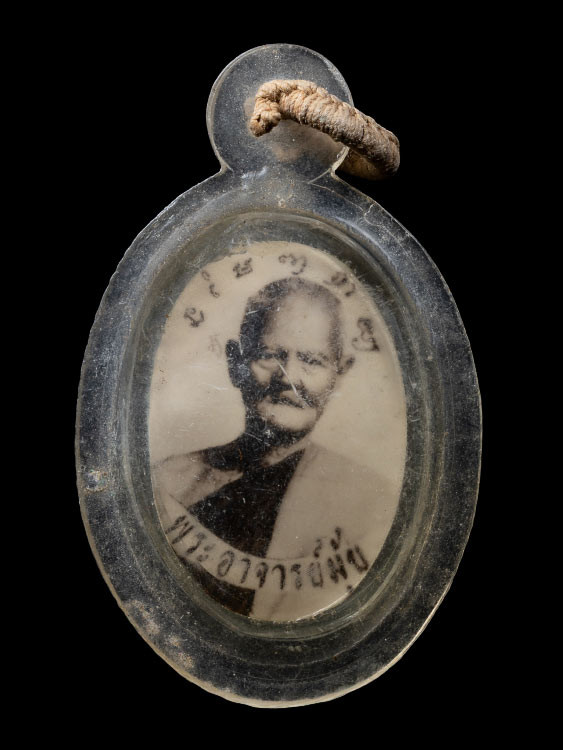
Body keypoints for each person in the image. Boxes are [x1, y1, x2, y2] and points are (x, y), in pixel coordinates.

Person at [152, 277, 397, 620]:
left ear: (339, 375)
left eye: (312, 360)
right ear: (236, 362)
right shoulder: (168, 481)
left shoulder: (370, 505)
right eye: (270, 355)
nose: (289, 378)